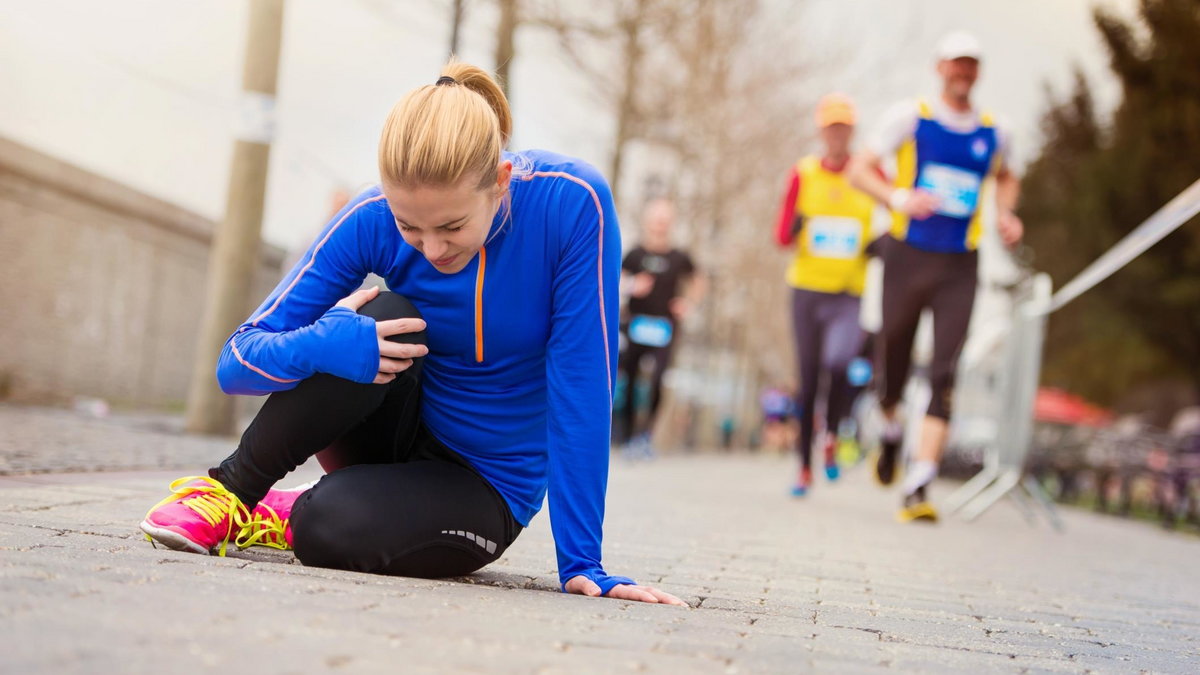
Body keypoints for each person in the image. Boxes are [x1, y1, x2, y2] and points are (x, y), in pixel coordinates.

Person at [139, 61, 684, 606]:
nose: (432, 249)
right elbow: (235, 362)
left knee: (324, 528)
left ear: (499, 181)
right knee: (376, 316)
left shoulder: (570, 203)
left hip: (484, 485)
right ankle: (229, 494)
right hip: (389, 427)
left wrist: (582, 562)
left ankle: (296, 510)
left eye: (451, 227)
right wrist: (324, 342)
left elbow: (582, 385)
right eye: (408, 227)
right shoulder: (370, 215)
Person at [848, 31, 1024, 522]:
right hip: (907, 256)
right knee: (893, 370)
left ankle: (919, 483)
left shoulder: (995, 132)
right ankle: (889, 431)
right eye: (955, 64)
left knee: (945, 370)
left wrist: (1005, 213)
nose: (963, 72)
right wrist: (899, 199)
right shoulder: (912, 118)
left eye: (971, 65)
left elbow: (1008, 176)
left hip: (959, 264)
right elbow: (860, 170)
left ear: (978, 72)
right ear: (940, 68)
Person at [774, 93, 876, 497]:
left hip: (848, 293)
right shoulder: (803, 173)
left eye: (844, 127)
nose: (837, 134)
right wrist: (797, 226)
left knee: (839, 362)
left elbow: (895, 210)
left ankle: (831, 434)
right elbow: (781, 236)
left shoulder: (870, 172)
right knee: (809, 375)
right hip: (806, 290)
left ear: (852, 132)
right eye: (831, 127)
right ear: (821, 131)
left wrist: (879, 243)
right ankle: (803, 468)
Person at [615, 198, 702, 458]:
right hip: (636, 324)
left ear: (670, 224)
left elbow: (698, 279)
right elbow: (615, 279)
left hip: (664, 327)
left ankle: (646, 436)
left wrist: (688, 303)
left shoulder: (679, 256)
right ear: (648, 222)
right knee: (630, 379)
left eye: (665, 221)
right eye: (656, 220)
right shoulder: (634, 254)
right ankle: (629, 435)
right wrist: (632, 287)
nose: (660, 225)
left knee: (657, 379)